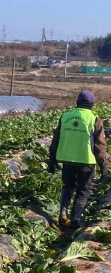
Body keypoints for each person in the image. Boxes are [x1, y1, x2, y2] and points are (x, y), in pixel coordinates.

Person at [48, 90, 109, 229]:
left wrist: (52, 159)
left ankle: (63, 212)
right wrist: (103, 165)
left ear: (77, 102)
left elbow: (56, 139)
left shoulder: (66, 117)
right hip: (86, 160)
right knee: (83, 190)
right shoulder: (94, 119)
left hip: (67, 159)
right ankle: (76, 218)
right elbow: (99, 145)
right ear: (92, 104)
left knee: (68, 186)